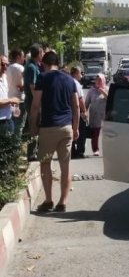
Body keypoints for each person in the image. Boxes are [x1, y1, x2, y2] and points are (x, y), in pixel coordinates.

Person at [30, 51, 79, 212]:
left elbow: (36, 105)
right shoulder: (69, 79)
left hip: (48, 127)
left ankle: (48, 200)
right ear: (57, 63)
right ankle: (62, 202)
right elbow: (76, 106)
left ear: (44, 64)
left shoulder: (43, 78)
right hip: (66, 128)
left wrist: (33, 126)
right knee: (65, 166)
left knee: (45, 164)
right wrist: (76, 127)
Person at [24, 43, 44, 161]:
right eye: (42, 53)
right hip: (33, 102)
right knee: (33, 127)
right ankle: (31, 154)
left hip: (34, 102)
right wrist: (38, 103)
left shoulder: (34, 66)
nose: (43, 55)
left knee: (36, 127)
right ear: (38, 53)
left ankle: (35, 151)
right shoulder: (31, 67)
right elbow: (33, 87)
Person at [85, 74, 107, 157]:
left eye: (100, 80)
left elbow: (110, 100)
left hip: (105, 116)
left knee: (106, 135)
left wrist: (103, 92)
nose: (98, 81)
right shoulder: (91, 90)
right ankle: (96, 149)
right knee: (95, 134)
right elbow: (87, 102)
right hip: (94, 116)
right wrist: (84, 112)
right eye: (97, 80)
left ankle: (106, 150)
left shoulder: (107, 89)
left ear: (103, 81)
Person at [70, 66, 88, 159]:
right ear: (76, 73)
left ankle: (72, 152)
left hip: (69, 111)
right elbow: (80, 99)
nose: (81, 75)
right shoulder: (76, 83)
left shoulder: (68, 81)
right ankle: (80, 152)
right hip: (77, 111)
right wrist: (84, 111)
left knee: (71, 131)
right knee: (81, 132)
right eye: (81, 73)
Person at [1, 55, 21, 136]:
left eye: (7, 64)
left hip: (8, 120)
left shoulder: (5, 78)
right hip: (1, 121)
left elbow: (5, 97)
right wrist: (11, 100)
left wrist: (14, 107)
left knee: (11, 148)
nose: (5, 67)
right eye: (2, 64)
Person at [7, 49, 25, 137]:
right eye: (23, 56)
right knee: (19, 125)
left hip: (9, 99)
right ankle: (16, 146)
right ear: (18, 57)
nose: (24, 58)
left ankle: (11, 145)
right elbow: (23, 86)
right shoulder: (20, 68)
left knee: (12, 123)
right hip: (19, 100)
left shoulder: (7, 67)